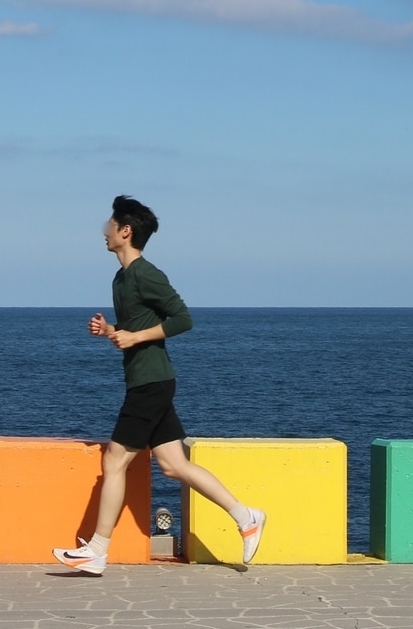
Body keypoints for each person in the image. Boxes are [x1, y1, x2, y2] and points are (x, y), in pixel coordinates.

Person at [53, 196, 265, 574]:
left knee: (114, 460)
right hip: (151, 380)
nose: (103, 230)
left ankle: (97, 550)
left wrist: (133, 339)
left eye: (110, 224)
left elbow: (183, 319)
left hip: (150, 383)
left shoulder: (146, 274)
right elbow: (135, 328)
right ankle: (246, 516)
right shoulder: (121, 278)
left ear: (125, 231)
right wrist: (111, 331)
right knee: (173, 465)